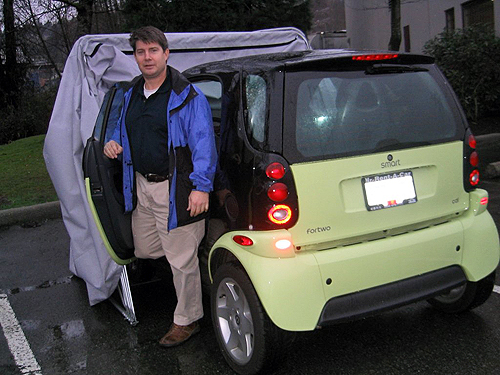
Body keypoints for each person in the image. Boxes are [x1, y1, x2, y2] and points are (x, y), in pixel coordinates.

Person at [103, 26, 217, 347]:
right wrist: (113, 140)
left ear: (166, 54)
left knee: (181, 258)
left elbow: (203, 144)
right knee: (146, 249)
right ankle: (184, 284)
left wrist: (201, 187)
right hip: (141, 186)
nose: (147, 57)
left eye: (153, 50)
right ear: (135, 57)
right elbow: (121, 127)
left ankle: (188, 318)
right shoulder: (132, 94)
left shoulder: (186, 96)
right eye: (141, 52)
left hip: (175, 187)